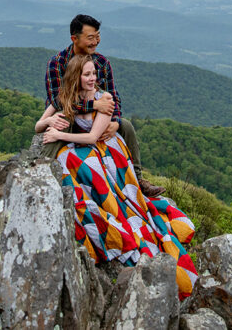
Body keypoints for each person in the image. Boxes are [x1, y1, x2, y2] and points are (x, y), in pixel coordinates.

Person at [36, 54, 197, 299]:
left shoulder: (105, 99)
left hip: (107, 149)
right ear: (75, 77)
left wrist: (60, 136)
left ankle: (117, 202)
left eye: (93, 74)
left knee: (84, 163)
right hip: (82, 148)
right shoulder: (66, 97)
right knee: (67, 159)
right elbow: (37, 126)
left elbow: (92, 138)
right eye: (86, 74)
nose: (92, 79)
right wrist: (50, 120)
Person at [44, 14, 165, 198]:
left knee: (126, 126)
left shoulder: (101, 63)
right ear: (74, 39)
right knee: (61, 118)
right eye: (90, 37)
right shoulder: (58, 63)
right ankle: (43, 170)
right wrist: (94, 104)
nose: (96, 42)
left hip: (95, 118)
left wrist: (114, 121)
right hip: (69, 113)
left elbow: (113, 96)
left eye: (97, 36)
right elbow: (58, 100)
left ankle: (137, 179)